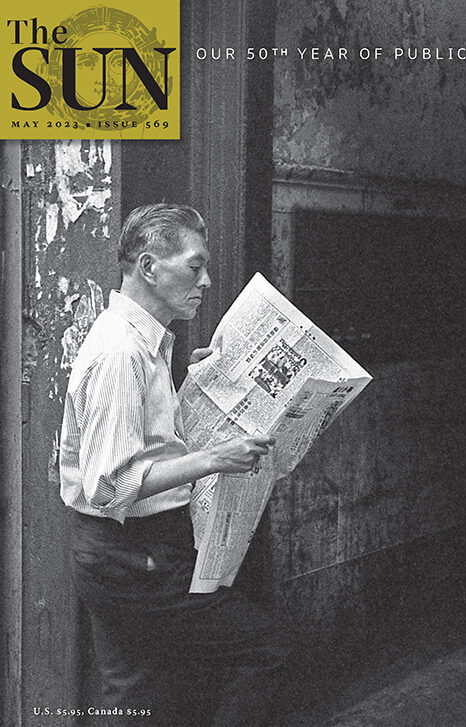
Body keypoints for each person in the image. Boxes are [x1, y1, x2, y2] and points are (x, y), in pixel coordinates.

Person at [59, 203, 291, 726]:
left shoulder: (144, 343)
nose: (206, 280)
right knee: (266, 649)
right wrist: (215, 459)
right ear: (148, 267)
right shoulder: (122, 352)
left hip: (118, 554)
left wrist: (201, 385)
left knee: (138, 695)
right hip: (133, 557)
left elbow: (147, 442)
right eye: (194, 266)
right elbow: (110, 485)